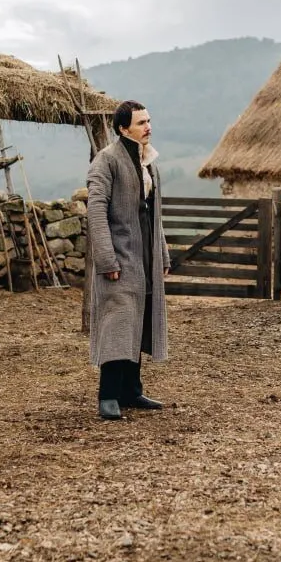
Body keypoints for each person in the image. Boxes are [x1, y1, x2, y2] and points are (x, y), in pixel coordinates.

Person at [85, 100, 171, 420]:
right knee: (118, 323)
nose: (148, 127)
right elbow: (96, 212)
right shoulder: (106, 160)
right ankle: (108, 395)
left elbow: (153, 215)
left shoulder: (148, 161)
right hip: (120, 257)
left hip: (144, 257)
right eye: (140, 123)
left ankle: (131, 392)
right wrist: (107, 260)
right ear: (123, 129)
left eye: (148, 120)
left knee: (140, 319)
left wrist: (162, 253)